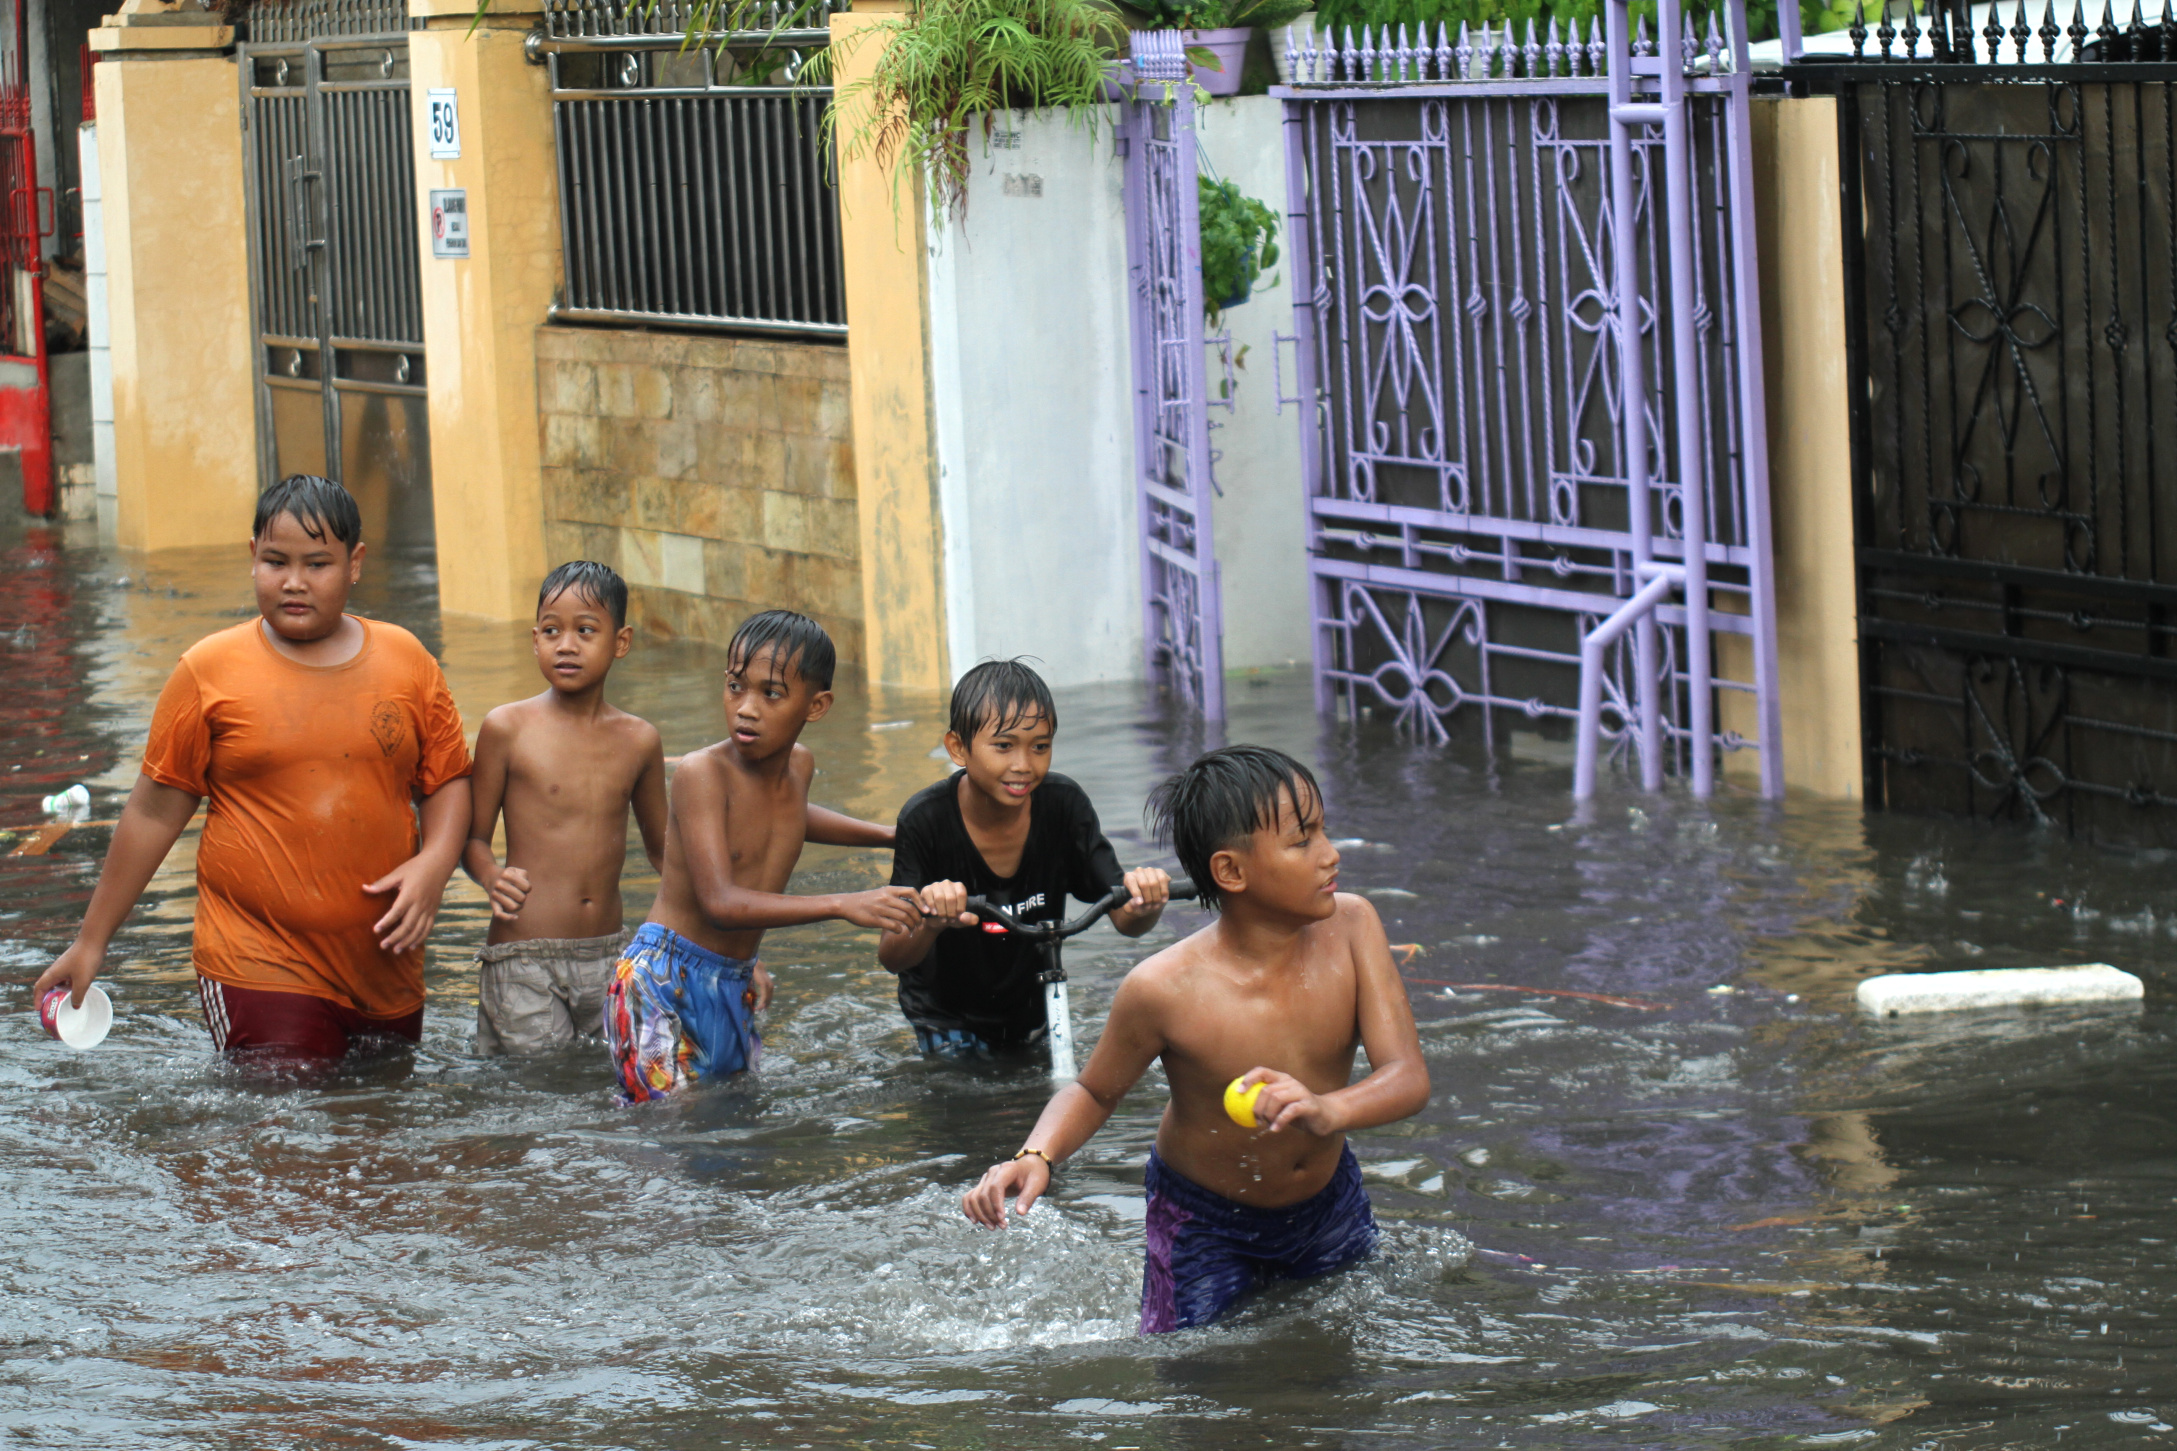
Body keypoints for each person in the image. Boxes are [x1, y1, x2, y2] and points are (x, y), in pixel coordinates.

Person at [959, 745, 1430, 1333]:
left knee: (1336, 1359)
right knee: (1194, 1379)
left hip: (1327, 1204)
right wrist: (1036, 1156)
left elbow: (1407, 1078)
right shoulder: (1163, 989)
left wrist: (1327, 1108)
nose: (1330, 855)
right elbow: (1096, 1091)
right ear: (1231, 871)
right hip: (1204, 1223)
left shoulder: (1354, 926)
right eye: (1303, 840)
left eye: (1323, 830)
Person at [32, 475, 472, 1064]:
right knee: (281, 1129)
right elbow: (153, 813)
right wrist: (92, 942)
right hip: (256, 962)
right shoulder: (209, 671)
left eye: (318, 564)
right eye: (275, 561)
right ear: (252, 558)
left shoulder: (406, 662)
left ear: (356, 563)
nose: (294, 582)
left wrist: (435, 864)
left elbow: (446, 781)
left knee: (381, 1129)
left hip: (385, 967)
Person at [605, 609, 921, 1101]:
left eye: (771, 693)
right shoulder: (700, 773)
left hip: (732, 979)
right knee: (672, 1137)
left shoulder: (799, 766)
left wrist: (892, 835)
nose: (746, 708)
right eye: (735, 686)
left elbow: (788, 814)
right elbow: (721, 903)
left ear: (816, 706)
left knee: (731, 1127)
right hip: (662, 983)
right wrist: (844, 903)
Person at [877, 658, 1171, 1059]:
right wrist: (930, 923)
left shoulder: (1064, 806)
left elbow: (1126, 920)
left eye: (1040, 747)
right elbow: (893, 957)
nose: (1023, 765)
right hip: (946, 1016)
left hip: (1036, 1012)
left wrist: (1146, 901)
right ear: (958, 748)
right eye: (1003, 746)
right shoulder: (925, 820)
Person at [462, 561, 667, 1056]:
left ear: (621, 641)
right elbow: (470, 841)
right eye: (552, 631)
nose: (566, 645)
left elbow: (668, 856)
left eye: (585, 631)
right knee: (536, 1096)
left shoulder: (639, 740)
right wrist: (490, 875)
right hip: (524, 957)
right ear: (535, 640)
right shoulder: (506, 728)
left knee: (608, 1096)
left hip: (610, 954)